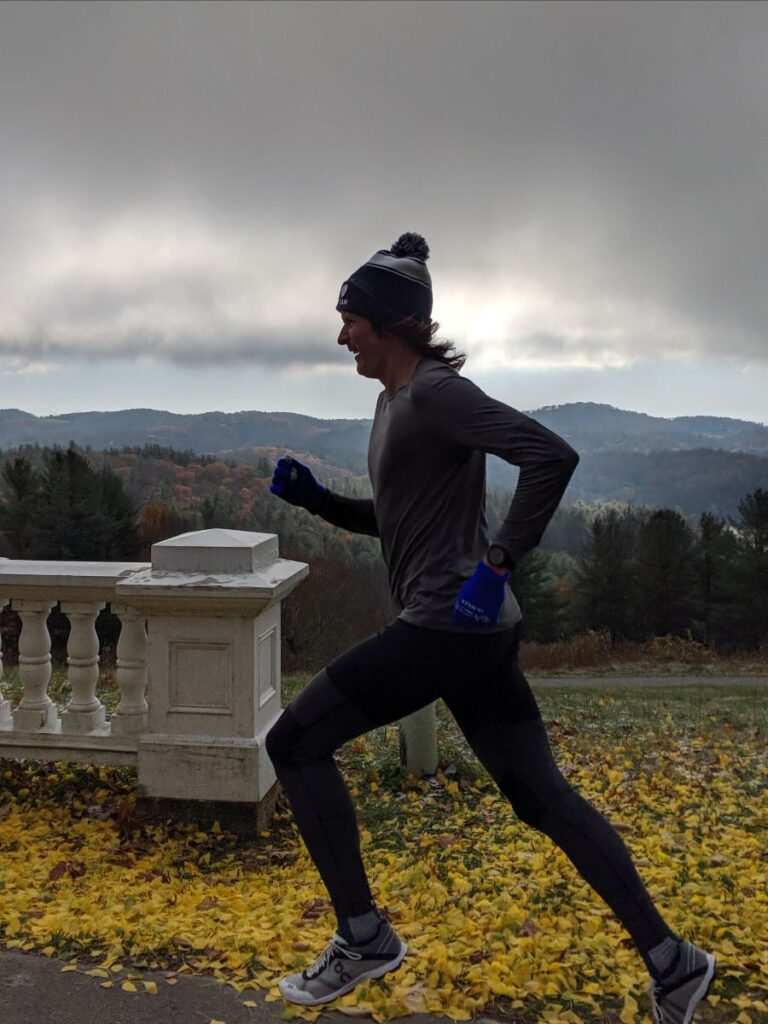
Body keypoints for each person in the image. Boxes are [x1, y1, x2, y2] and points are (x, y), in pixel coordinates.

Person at [266, 233, 716, 1023]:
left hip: (447, 625)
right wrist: (318, 504)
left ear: (393, 322)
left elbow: (552, 456)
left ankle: (365, 938)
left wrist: (498, 560)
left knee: (294, 742)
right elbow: (399, 518)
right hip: (474, 633)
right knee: (542, 797)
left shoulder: (437, 393)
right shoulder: (392, 402)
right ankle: (673, 962)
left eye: (351, 322)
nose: (342, 337)